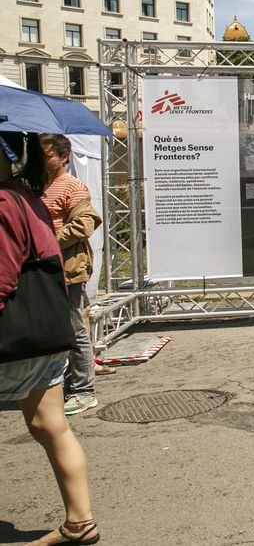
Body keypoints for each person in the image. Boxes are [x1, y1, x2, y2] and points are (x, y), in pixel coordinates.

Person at [0, 131, 100, 545]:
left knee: (52, 424)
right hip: (41, 327)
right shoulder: (28, 195)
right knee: (50, 424)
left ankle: (81, 521)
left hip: (18, 332)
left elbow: (3, 277)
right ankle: (80, 521)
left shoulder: (9, 200)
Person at [39, 135, 103, 416]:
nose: (44, 160)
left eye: (48, 155)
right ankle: (57, 383)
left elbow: (83, 225)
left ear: (64, 157)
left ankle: (83, 390)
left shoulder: (73, 186)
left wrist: (48, 240)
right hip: (42, 268)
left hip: (67, 268)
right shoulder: (37, 186)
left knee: (75, 328)